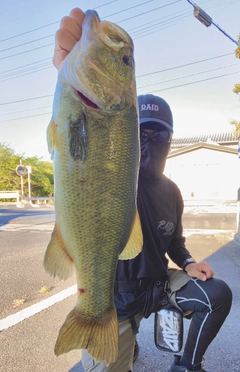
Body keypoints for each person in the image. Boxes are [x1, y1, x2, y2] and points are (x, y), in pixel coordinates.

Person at [52, 8, 232, 372]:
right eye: (141, 134)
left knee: (217, 294)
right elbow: (85, 150)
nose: (149, 142)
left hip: (155, 286)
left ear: (170, 141)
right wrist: (69, 70)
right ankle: (120, 342)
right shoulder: (121, 176)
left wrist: (189, 263)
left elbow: (176, 242)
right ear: (129, 138)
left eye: (159, 136)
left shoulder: (172, 191)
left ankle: (186, 365)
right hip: (112, 297)